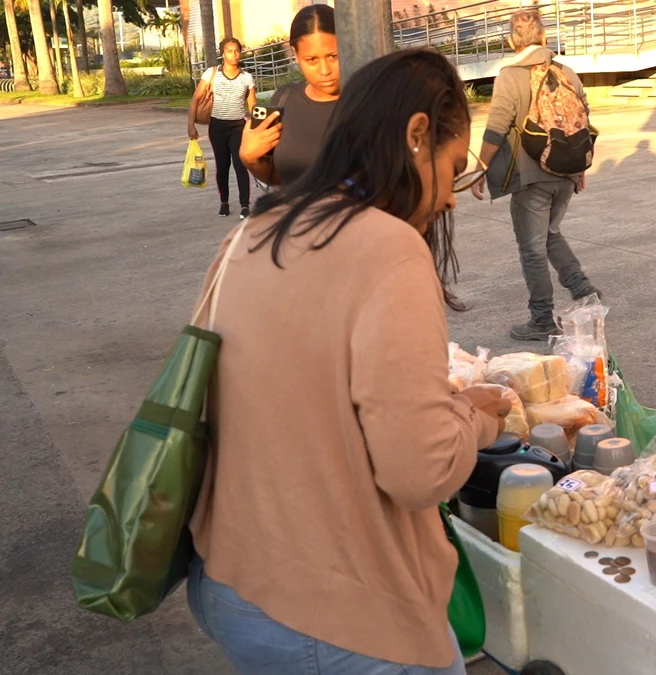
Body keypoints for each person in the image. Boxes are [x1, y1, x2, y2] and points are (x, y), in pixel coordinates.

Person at [185, 49, 508, 675]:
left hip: (229, 580)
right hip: (335, 616)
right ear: (417, 135)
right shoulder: (389, 249)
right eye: (453, 168)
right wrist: (476, 414)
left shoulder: (254, 231)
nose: (451, 200)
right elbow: (420, 471)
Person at [471, 8, 600, 342]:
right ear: (544, 37)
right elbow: (583, 119)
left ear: (511, 40)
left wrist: (480, 168)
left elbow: (497, 126)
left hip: (533, 177)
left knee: (532, 249)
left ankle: (541, 319)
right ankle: (584, 291)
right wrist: (580, 167)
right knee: (550, 234)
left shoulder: (510, 75)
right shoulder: (567, 72)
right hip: (567, 172)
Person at [240, 5, 339, 187]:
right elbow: (278, 180)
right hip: (296, 214)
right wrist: (250, 159)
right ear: (295, 53)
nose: (325, 71)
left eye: (333, 56)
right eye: (312, 60)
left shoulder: (368, 101)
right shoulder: (283, 99)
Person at [188, 37, 255, 219]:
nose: (233, 55)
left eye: (236, 51)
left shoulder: (247, 78)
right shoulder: (212, 73)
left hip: (237, 127)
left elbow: (253, 106)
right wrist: (190, 125)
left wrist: (256, 128)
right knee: (222, 165)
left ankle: (244, 205)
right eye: (229, 51)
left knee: (240, 165)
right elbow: (195, 99)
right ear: (222, 53)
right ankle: (224, 202)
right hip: (217, 126)